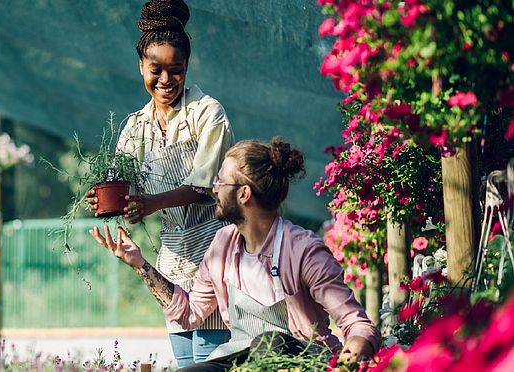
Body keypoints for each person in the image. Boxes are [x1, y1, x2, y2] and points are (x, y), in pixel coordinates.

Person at [90, 138, 380, 371]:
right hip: (238, 360)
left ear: (244, 194)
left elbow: (359, 325)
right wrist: (139, 264)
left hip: (300, 361)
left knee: (270, 343)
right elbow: (191, 314)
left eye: (220, 182)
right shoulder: (222, 245)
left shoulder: (303, 250)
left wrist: (347, 362)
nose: (214, 189)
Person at [86, 0, 236, 366]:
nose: (166, 80)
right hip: (171, 258)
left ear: (187, 68)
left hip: (215, 250)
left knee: (210, 362)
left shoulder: (207, 113)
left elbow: (204, 187)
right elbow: (120, 178)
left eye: (176, 70)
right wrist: (106, 198)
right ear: (141, 67)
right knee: (185, 362)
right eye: (156, 69)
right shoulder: (137, 125)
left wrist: (151, 203)